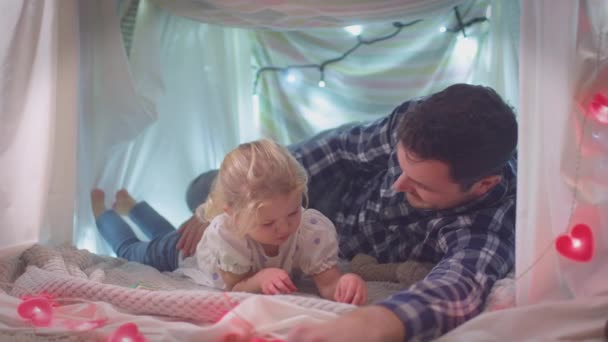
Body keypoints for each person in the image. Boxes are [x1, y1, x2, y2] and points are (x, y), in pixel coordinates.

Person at [183, 84, 518, 341]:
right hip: (308, 191)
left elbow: (459, 284)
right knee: (197, 199)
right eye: (399, 166)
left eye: (421, 185)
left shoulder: (490, 220)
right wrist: (232, 203)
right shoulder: (412, 126)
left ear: (482, 185)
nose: (398, 185)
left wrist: (379, 320)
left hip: (318, 230)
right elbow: (338, 147)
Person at [91, 139, 367, 304]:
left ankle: (133, 207)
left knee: (167, 232)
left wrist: (346, 283)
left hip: (199, 243)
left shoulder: (310, 229)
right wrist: (260, 279)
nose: (284, 228)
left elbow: (329, 284)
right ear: (233, 215)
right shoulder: (228, 234)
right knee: (134, 250)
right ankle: (103, 213)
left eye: (293, 213)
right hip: (182, 254)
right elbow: (235, 286)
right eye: (268, 224)